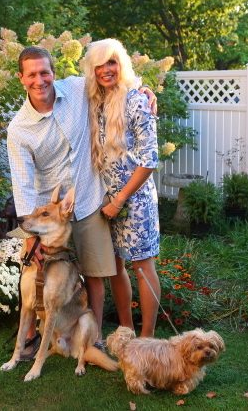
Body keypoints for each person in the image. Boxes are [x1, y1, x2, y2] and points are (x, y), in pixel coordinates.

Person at [7, 47, 155, 356]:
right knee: (35, 272)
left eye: (44, 72)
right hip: (50, 212)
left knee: (96, 274)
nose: (39, 80)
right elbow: (22, 184)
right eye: (31, 74)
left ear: (53, 73)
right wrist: (30, 237)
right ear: (21, 78)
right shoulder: (19, 129)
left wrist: (144, 91)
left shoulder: (76, 88)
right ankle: (32, 337)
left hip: (88, 198)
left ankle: (94, 336)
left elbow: (114, 80)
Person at [82, 39, 161, 338]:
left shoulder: (136, 100)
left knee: (142, 266)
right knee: (115, 266)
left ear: (122, 64)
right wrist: (111, 202)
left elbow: (149, 159)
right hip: (105, 200)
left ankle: (147, 338)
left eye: (112, 62)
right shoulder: (93, 101)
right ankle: (126, 331)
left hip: (136, 200)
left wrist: (120, 200)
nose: (106, 70)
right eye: (99, 65)